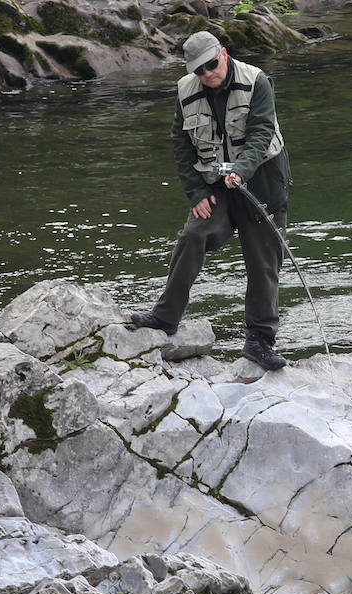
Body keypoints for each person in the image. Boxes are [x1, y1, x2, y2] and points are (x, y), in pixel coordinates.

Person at [129, 31, 293, 371]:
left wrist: (243, 171)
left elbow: (262, 131)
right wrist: (197, 193)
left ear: (224, 53)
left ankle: (260, 341)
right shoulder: (185, 91)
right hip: (215, 186)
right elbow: (180, 143)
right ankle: (165, 318)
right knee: (193, 235)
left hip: (260, 184)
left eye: (211, 65)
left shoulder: (257, 81)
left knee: (263, 263)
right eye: (199, 71)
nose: (207, 75)